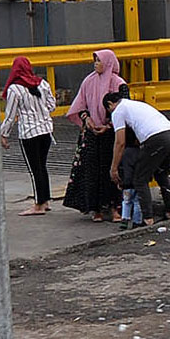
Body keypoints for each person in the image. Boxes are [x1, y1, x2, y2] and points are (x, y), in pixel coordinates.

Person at [60, 48, 124, 221]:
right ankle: (96, 209)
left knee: (112, 169)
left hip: (111, 134)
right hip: (92, 134)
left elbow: (124, 108)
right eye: (95, 60)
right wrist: (87, 119)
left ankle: (114, 208)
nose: (96, 64)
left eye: (99, 60)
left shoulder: (118, 83)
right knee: (92, 171)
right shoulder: (88, 81)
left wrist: (108, 125)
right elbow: (81, 105)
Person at [110, 90, 170, 227]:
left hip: (156, 139)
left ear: (110, 104)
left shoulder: (118, 111)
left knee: (140, 179)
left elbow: (120, 142)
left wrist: (114, 168)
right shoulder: (136, 105)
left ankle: (148, 219)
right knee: (161, 174)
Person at [0, 56, 56, 214]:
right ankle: (45, 200)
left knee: (34, 169)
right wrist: (40, 110)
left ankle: (38, 205)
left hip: (29, 133)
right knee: (42, 166)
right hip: (46, 130)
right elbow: (52, 106)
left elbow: (10, 115)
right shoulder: (43, 83)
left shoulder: (14, 89)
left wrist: (4, 134)